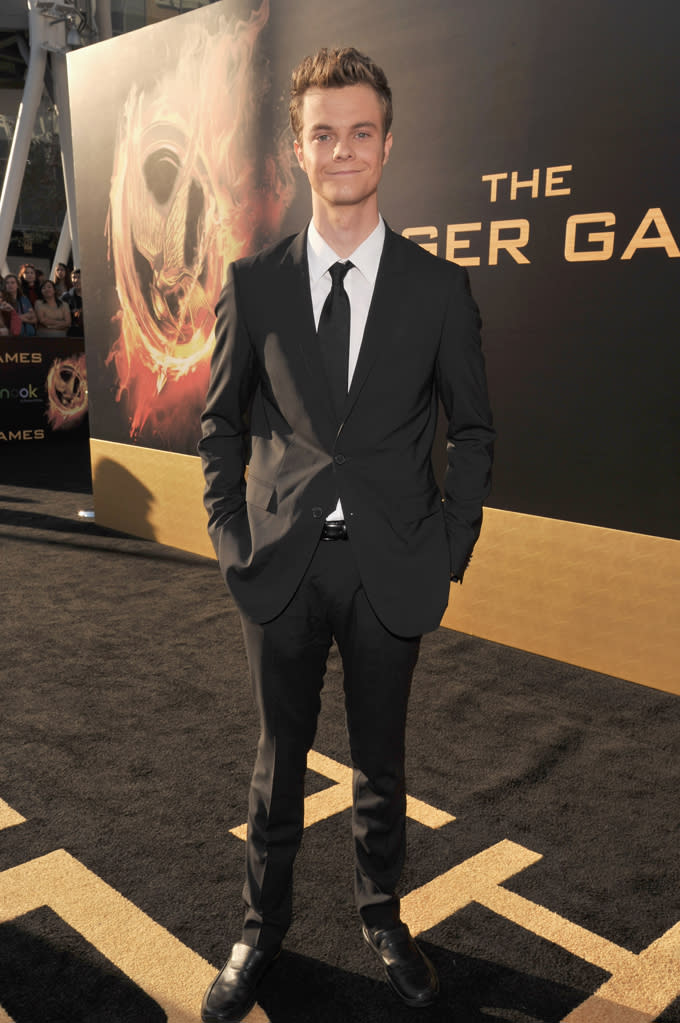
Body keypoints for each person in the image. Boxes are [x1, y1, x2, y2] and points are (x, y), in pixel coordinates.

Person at [198, 46, 494, 1022]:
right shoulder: (254, 285)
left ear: (387, 143)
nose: (341, 150)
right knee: (276, 765)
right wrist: (231, 536)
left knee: (380, 764)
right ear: (297, 149)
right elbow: (220, 425)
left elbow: (472, 431)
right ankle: (257, 930)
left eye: (359, 131)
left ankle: (380, 917)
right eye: (322, 133)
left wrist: (447, 549)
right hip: (280, 565)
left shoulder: (437, 290)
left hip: (390, 568)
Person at [64, 268, 84, 335]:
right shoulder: (66, 297)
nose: (76, 280)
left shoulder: (92, 296)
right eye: (74, 277)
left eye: (79, 277)